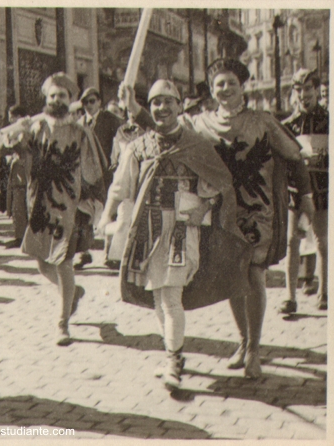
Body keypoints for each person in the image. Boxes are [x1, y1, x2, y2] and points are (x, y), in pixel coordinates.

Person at [121, 59, 314, 378]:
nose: (225, 89)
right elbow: (164, 124)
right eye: (219, 84)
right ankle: (242, 341)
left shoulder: (262, 121)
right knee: (232, 276)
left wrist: (305, 197)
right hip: (221, 209)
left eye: (231, 83)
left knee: (253, 275)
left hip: (256, 210)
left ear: (243, 86)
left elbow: (294, 156)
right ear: (212, 90)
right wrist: (134, 107)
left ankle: (254, 349)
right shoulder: (200, 122)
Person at [99, 80, 239, 391]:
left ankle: (174, 359)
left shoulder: (196, 143)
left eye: (168, 101)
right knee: (158, 297)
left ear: (179, 106)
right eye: (156, 102)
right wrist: (106, 217)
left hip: (180, 227)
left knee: (172, 297)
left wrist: (204, 205)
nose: (162, 108)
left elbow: (219, 182)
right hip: (148, 229)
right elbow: (121, 186)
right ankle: (171, 353)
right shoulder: (140, 145)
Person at [0, 72, 106, 346]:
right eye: (53, 96)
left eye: (63, 96)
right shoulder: (35, 127)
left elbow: (95, 171)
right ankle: (73, 293)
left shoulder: (80, 131)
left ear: (71, 100)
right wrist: (20, 125)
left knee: (63, 262)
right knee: (42, 264)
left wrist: (89, 204)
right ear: (46, 99)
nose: (57, 100)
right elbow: (3, 144)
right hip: (39, 201)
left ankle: (63, 323)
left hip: (69, 206)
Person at [280, 68, 328, 313]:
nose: (303, 94)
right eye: (298, 89)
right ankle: (290, 297)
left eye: (308, 88)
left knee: (322, 241)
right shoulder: (288, 125)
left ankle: (324, 292)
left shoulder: (328, 120)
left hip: (323, 189)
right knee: (292, 241)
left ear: (317, 90)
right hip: (296, 191)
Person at [74, 87, 123, 270]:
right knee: (83, 213)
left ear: (99, 102)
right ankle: (83, 253)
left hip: (107, 174)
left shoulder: (111, 120)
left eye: (92, 101)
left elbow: (122, 139)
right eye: (85, 102)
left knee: (109, 212)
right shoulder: (79, 123)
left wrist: (116, 163)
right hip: (85, 176)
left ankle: (109, 254)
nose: (88, 105)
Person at [103, 111, 146, 270]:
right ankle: (115, 256)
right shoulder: (122, 131)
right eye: (129, 112)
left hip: (141, 177)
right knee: (123, 216)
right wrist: (114, 166)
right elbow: (115, 152)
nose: (132, 115)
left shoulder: (149, 130)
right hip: (123, 174)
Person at [0, 104, 30, 248]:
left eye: (13, 117)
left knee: (28, 205)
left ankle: (29, 237)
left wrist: (16, 139)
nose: (11, 121)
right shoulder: (12, 130)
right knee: (17, 206)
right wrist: (6, 138)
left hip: (29, 170)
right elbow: (0, 149)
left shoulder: (30, 129)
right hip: (17, 173)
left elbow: (26, 146)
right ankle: (19, 236)